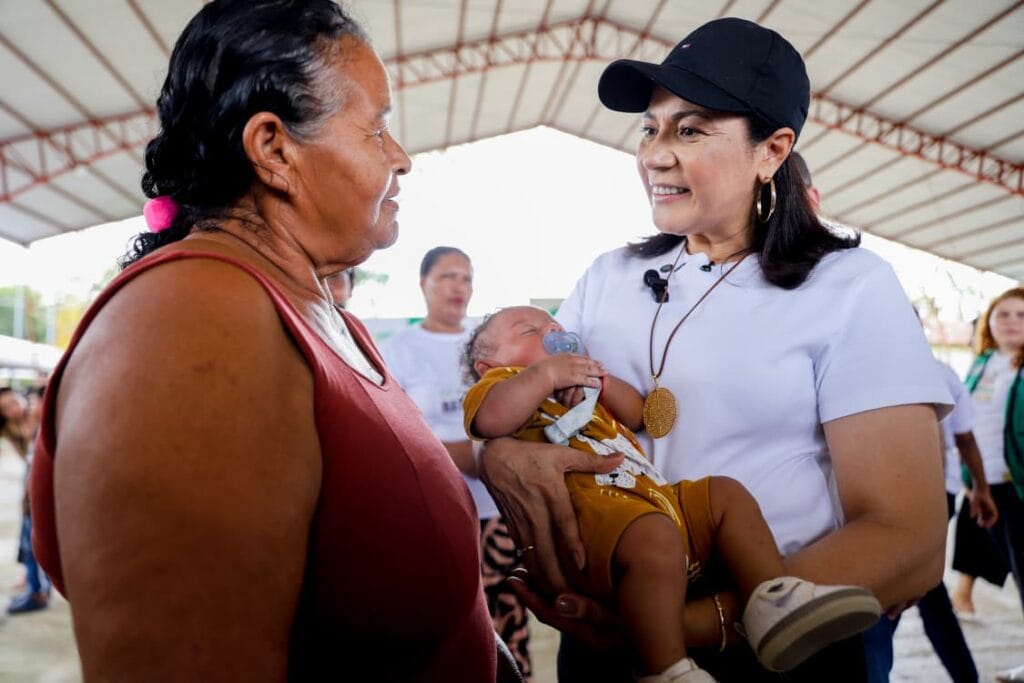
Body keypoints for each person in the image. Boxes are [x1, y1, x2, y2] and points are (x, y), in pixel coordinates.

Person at [28, 2, 505, 680]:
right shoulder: (191, 322)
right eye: (377, 129)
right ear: (274, 149)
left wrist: (496, 464)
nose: (401, 159)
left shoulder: (322, 313)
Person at [477, 17, 952, 682]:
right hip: (605, 641)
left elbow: (909, 540)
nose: (654, 153)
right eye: (651, 127)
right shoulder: (605, 278)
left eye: (690, 129)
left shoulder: (847, 287)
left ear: (772, 150)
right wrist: (500, 455)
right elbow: (531, 411)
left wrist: (687, 624)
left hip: (770, 650)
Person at [464, 305, 881, 680]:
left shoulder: (585, 388)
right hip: (594, 521)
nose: (551, 330)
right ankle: (663, 668)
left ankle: (771, 599)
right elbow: (491, 420)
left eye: (554, 324)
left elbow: (636, 414)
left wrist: (601, 382)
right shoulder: (502, 383)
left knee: (724, 495)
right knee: (655, 534)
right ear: (488, 366)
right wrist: (547, 374)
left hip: (652, 505)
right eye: (529, 331)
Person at [381, 247, 534, 680]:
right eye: (448, 276)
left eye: (467, 278)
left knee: (509, 619)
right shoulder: (398, 351)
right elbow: (396, 430)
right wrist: (466, 456)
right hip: (439, 509)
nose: (459, 287)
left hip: (498, 509)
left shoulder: (490, 347)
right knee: (453, 624)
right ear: (422, 282)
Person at [952, 288, 1024, 683]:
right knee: (1016, 571)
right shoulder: (981, 364)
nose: (1011, 321)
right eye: (1003, 314)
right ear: (989, 323)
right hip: (987, 486)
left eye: (1020, 314)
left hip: (1019, 487)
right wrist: (969, 481)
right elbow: (966, 426)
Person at [7, 385, 51, 615]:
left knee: (36, 544)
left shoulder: (45, 432)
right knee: (30, 543)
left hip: (36, 503)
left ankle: (38, 593)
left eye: (33, 403)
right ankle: (35, 586)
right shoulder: (30, 431)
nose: (29, 407)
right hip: (31, 502)